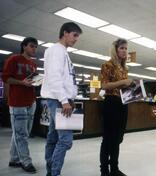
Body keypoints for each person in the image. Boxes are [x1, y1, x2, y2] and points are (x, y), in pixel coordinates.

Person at [41, 22, 82, 176]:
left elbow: (66, 79)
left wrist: (70, 97)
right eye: (74, 35)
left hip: (61, 99)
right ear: (65, 33)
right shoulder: (55, 50)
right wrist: (64, 100)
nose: (76, 39)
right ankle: (54, 173)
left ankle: (50, 172)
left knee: (53, 138)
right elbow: (54, 77)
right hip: (57, 100)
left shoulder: (64, 52)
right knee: (65, 140)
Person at [2, 37, 38, 173]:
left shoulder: (33, 64)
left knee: (21, 133)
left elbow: (31, 81)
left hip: (31, 101)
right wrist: (22, 82)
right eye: (32, 46)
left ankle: (14, 159)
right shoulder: (14, 59)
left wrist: (36, 81)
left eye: (36, 47)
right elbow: (6, 78)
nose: (34, 49)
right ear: (24, 46)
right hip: (17, 102)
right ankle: (26, 161)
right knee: (21, 134)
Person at [100, 38, 133, 176]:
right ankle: (104, 170)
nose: (124, 51)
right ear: (115, 49)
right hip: (111, 103)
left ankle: (114, 168)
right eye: (122, 48)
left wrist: (133, 89)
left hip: (122, 103)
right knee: (108, 138)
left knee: (118, 138)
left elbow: (123, 87)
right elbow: (104, 85)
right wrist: (123, 82)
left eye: (126, 48)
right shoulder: (107, 65)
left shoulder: (124, 68)